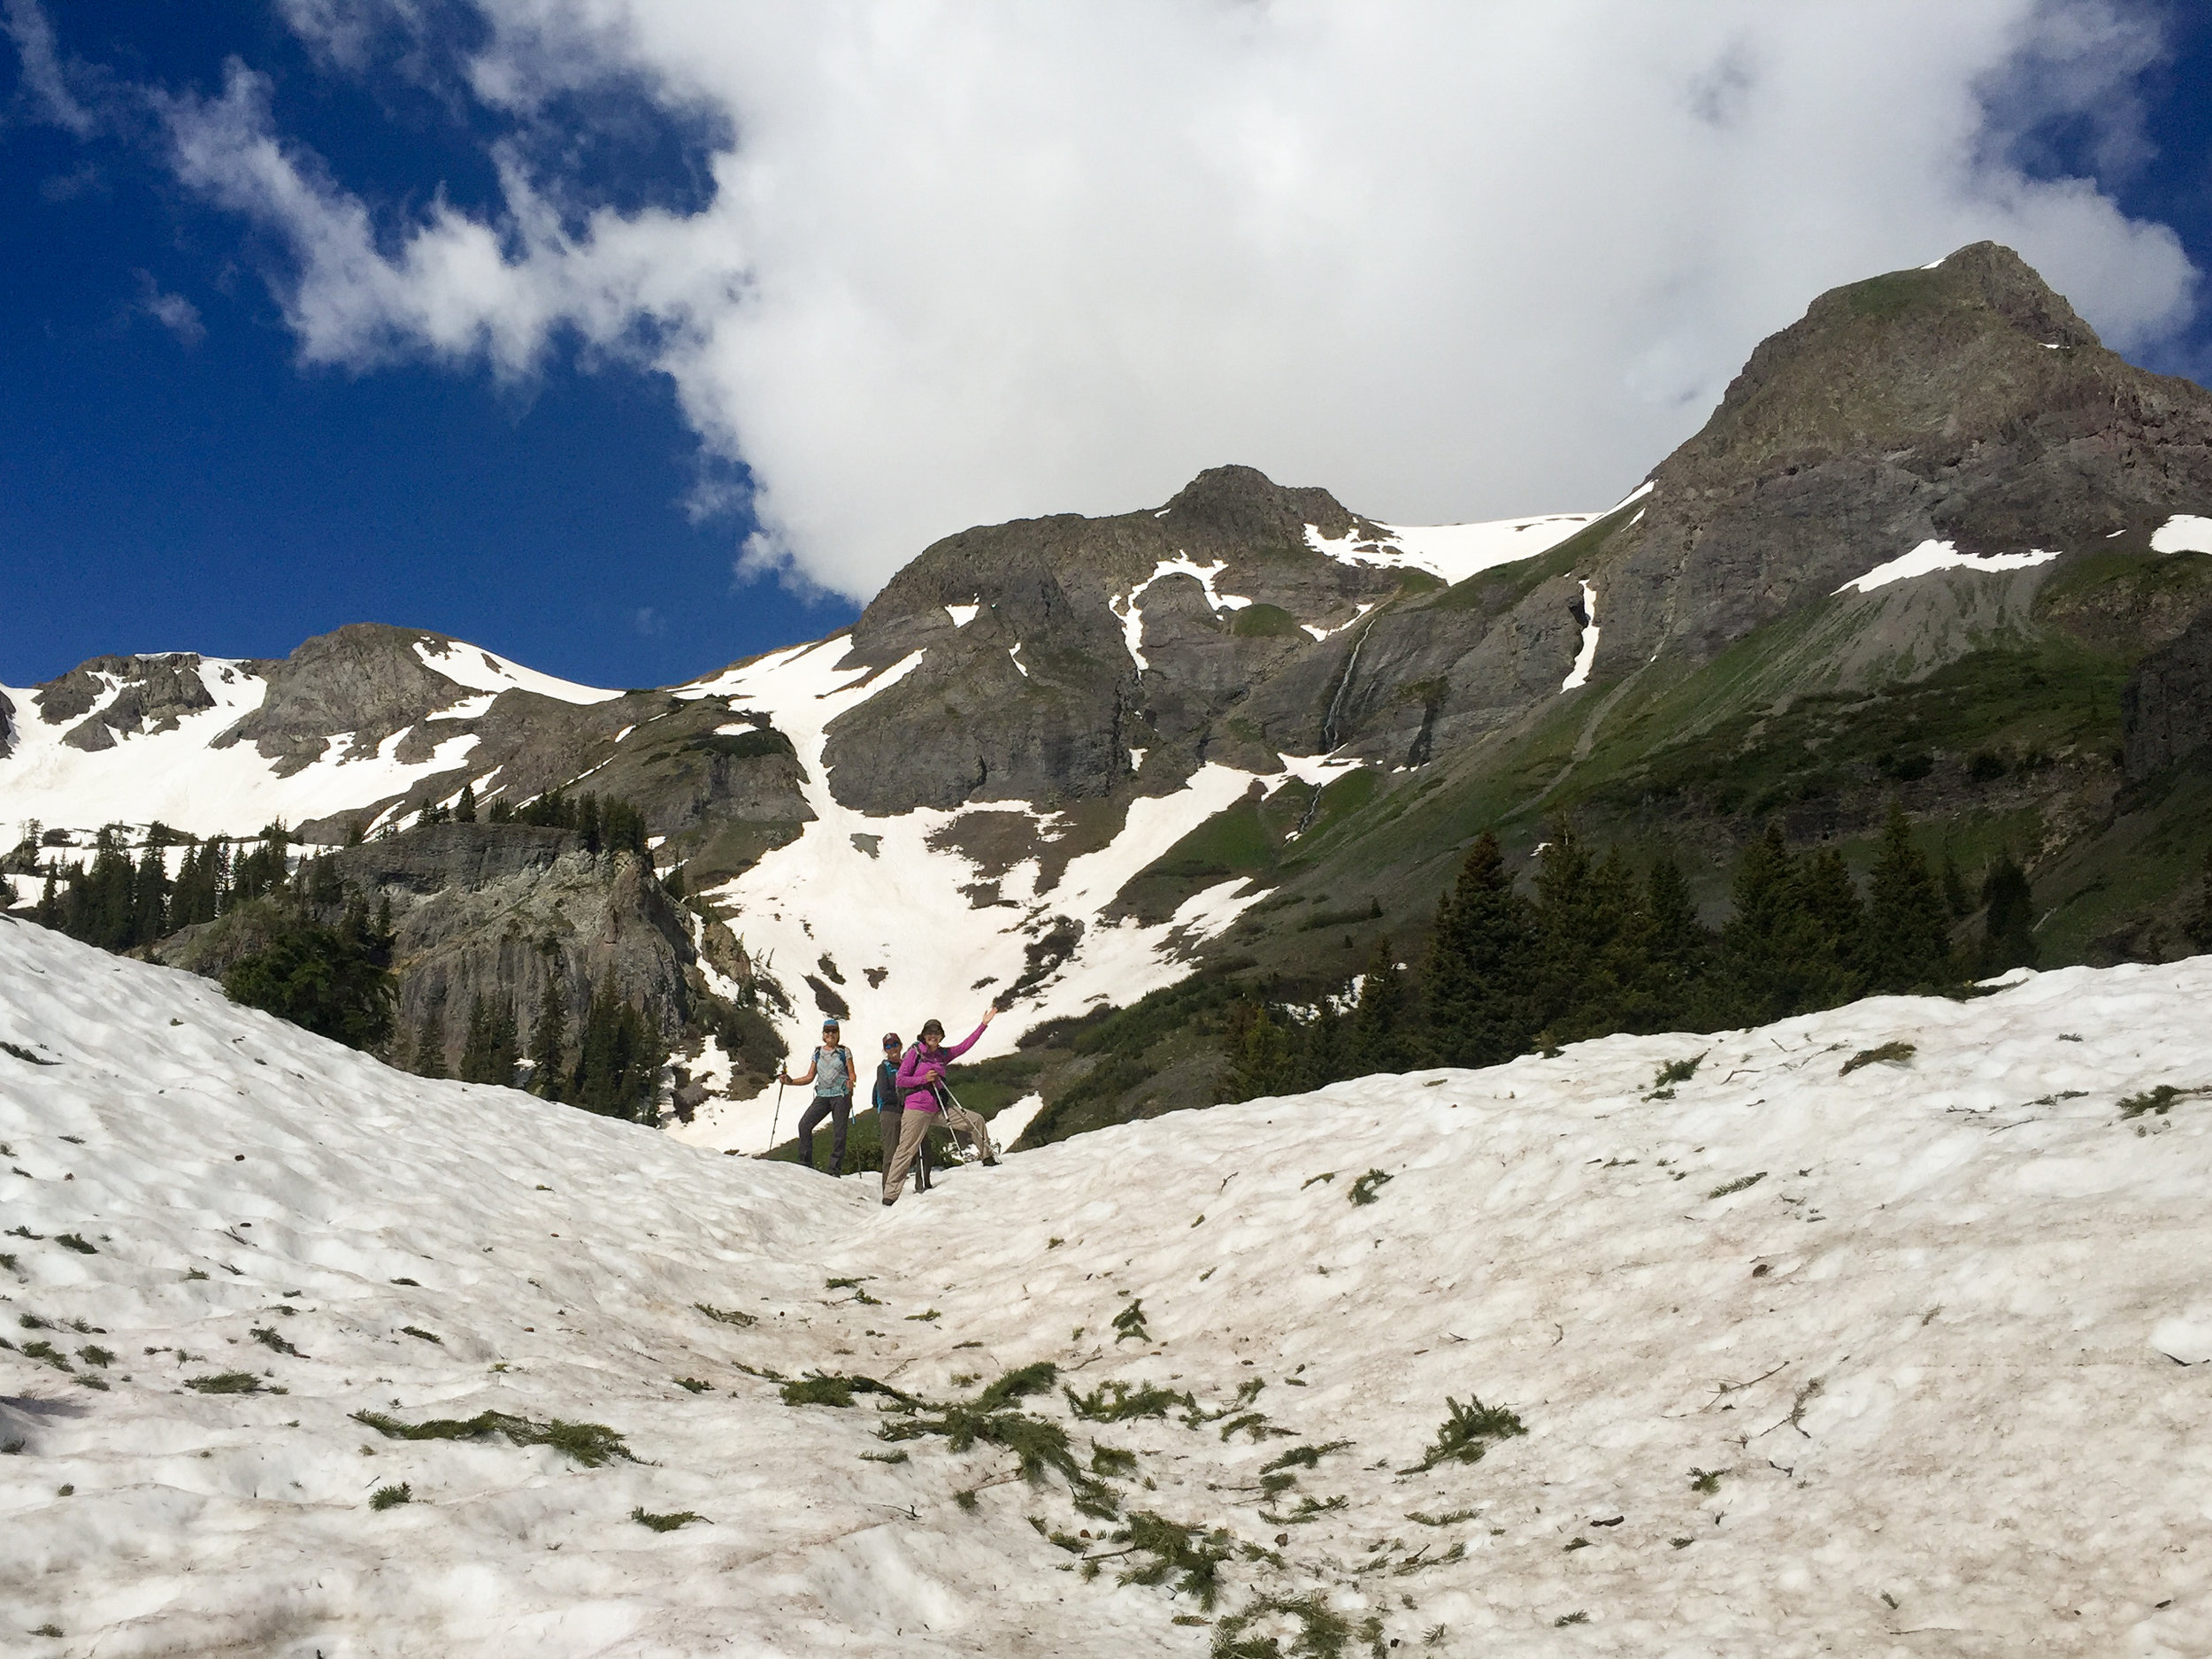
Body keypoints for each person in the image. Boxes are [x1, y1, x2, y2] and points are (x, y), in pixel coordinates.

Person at [882, 1007, 999, 1206]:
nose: (932, 1036)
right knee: (905, 1150)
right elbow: (900, 1080)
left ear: (941, 1036)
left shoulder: (943, 1054)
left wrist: (984, 1024)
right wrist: (923, 1078)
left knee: (975, 1120)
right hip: (916, 1109)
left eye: (936, 1033)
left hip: (937, 1107)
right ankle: (890, 1195)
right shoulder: (915, 1053)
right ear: (924, 1035)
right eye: (929, 1033)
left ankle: (987, 1157)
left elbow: (965, 1046)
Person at [782, 1018, 855, 1177]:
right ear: (823, 1035)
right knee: (804, 1125)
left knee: (839, 1133)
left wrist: (850, 1082)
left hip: (841, 1095)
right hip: (823, 1095)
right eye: (827, 1031)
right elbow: (809, 1077)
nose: (830, 1034)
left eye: (833, 1031)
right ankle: (805, 1163)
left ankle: (834, 1169)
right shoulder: (817, 1053)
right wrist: (791, 1082)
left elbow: (852, 1073)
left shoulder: (844, 1052)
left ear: (838, 1034)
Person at [871, 1030, 929, 1192]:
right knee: (892, 1152)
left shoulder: (908, 1064)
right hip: (890, 1113)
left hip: (910, 1111)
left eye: (895, 1044)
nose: (892, 1048)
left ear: (901, 1045)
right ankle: (888, 1191)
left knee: (922, 1146)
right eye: (888, 1046)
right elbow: (884, 1093)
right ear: (885, 1050)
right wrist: (905, 1096)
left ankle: (923, 1184)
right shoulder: (883, 1068)